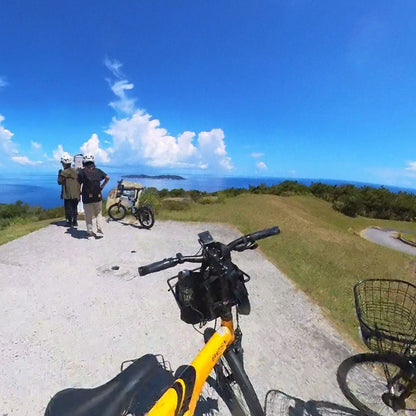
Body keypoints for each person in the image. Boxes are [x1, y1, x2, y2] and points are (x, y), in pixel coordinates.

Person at [77, 154, 109, 238]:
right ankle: (99, 228)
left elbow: (78, 184)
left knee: (88, 215)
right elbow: (107, 177)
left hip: (86, 197)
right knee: (98, 213)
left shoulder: (82, 172)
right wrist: (102, 186)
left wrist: (78, 194)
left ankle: (90, 232)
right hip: (98, 195)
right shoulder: (98, 171)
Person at [57, 153, 80, 227]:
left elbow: (59, 182)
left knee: (68, 208)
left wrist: (59, 173)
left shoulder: (63, 172)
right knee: (74, 207)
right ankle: (75, 221)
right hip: (76, 193)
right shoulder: (75, 171)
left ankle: (69, 221)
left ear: (64, 163)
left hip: (67, 194)